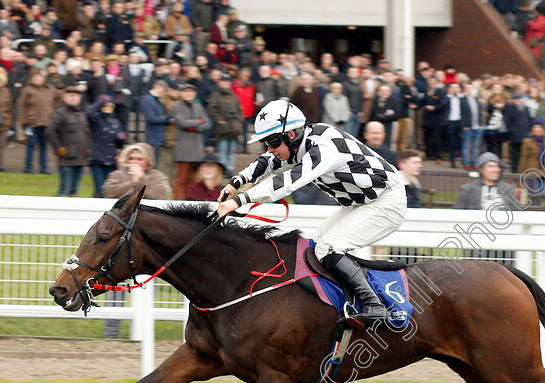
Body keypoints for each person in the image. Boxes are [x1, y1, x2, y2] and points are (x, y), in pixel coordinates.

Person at [216, 99, 407, 325]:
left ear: (292, 135)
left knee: (328, 248)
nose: (270, 148)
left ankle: (373, 305)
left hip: (387, 201)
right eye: (266, 142)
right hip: (362, 203)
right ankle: (336, 305)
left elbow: (290, 181)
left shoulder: (326, 145)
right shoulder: (299, 145)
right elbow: (267, 163)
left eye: (273, 142)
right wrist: (235, 182)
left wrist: (241, 200)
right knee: (313, 249)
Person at [100, 143, 171, 338]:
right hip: (120, 242)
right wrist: (135, 182)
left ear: (147, 161)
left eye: (139, 159)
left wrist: (142, 180)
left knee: (146, 285)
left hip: (147, 241)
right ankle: (111, 332)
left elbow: (162, 193)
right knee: (115, 285)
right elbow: (109, 192)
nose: (134, 162)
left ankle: (143, 333)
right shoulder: (117, 176)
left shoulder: (157, 177)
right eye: (131, 158)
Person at [47, 86, 91, 196]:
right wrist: (58, 148)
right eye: (70, 95)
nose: (73, 98)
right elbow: (50, 131)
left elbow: (87, 133)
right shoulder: (60, 113)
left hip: (80, 157)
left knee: (74, 190)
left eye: (76, 96)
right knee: (65, 188)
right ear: (65, 97)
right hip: (67, 158)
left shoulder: (81, 114)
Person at [171, 84, 212, 199]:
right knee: (181, 179)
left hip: (197, 148)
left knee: (193, 178)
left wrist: (195, 126)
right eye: (186, 91)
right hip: (184, 148)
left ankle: (189, 201)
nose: (189, 94)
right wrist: (198, 121)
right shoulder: (176, 106)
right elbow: (181, 123)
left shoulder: (198, 106)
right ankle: (177, 202)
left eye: (191, 91)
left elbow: (208, 123)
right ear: (181, 93)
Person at [86, 94, 127, 198]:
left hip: (111, 159)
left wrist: (121, 139)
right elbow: (89, 113)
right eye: (105, 106)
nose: (108, 108)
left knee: (110, 189)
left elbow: (120, 144)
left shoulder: (116, 122)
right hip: (98, 158)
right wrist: (99, 102)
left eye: (110, 106)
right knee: (99, 189)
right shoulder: (96, 119)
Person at [19, 70, 58, 174]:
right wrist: (23, 120)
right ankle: (28, 167)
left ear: (43, 79)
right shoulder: (27, 89)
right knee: (31, 145)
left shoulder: (50, 89)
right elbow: (21, 105)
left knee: (44, 147)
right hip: (31, 122)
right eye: (35, 78)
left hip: (46, 122)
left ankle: (44, 168)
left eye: (39, 77)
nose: (37, 79)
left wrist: (53, 110)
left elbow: (59, 98)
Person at [453, 151, 519, 211]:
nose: (495, 169)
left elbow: (516, 214)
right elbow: (457, 214)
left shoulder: (507, 189)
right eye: (490, 166)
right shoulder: (468, 189)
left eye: (497, 166)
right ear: (481, 169)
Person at [208, 75, 244, 174]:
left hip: (234, 127)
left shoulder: (233, 95)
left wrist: (239, 120)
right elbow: (212, 109)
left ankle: (230, 169)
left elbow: (239, 109)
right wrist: (219, 120)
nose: (226, 84)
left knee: (231, 151)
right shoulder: (215, 95)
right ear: (220, 83)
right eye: (224, 82)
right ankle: (223, 169)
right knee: (222, 150)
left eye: (228, 82)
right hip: (222, 128)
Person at [141, 79, 173, 165]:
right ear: (158, 87)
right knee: (152, 164)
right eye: (164, 90)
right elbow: (151, 118)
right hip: (153, 138)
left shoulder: (157, 100)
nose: (165, 93)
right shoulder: (148, 99)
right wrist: (167, 118)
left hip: (158, 137)